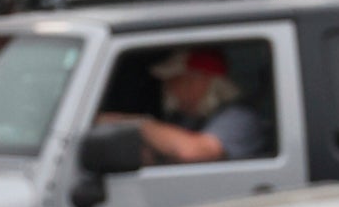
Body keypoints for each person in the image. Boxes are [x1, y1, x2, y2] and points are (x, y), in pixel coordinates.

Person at [106, 47, 269, 166]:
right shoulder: (185, 118)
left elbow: (194, 152)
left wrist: (135, 124)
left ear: (199, 82)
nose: (167, 85)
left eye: (175, 78)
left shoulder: (239, 117)